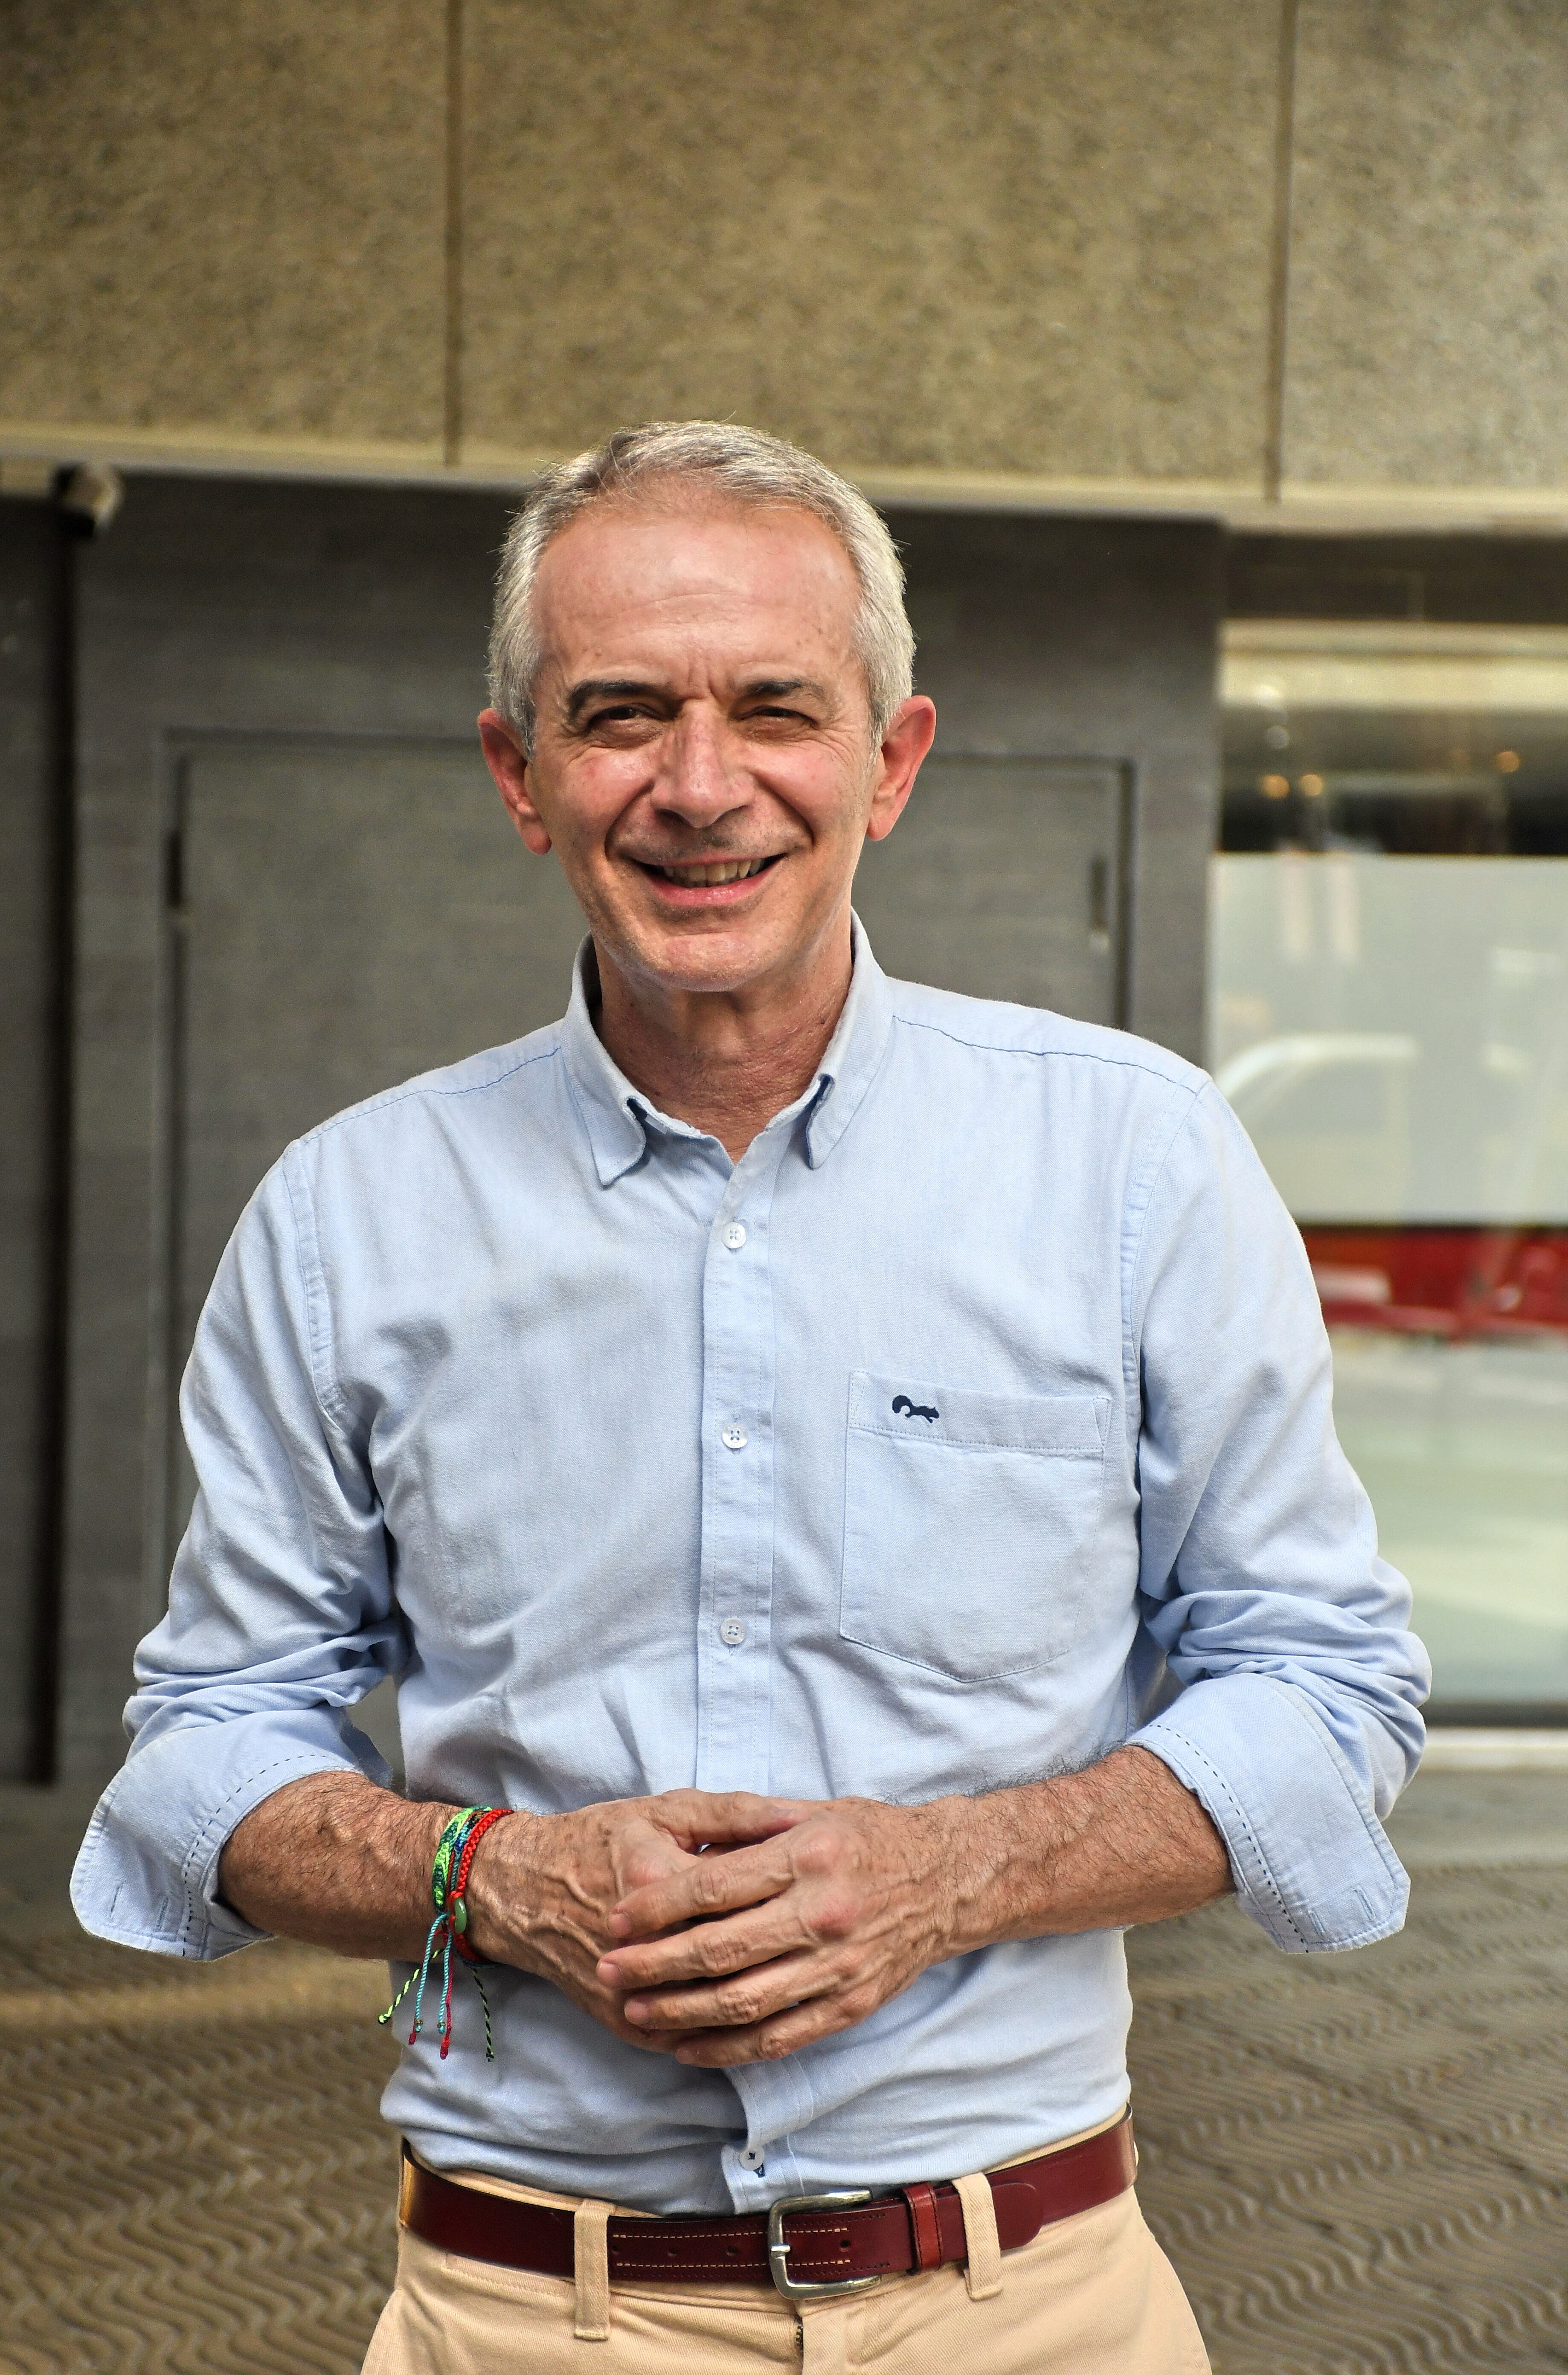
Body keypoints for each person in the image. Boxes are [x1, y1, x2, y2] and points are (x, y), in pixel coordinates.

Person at [73, 421, 1430, 2374]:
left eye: (773, 709)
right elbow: (204, 1751)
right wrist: (495, 1877)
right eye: (618, 714)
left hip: (1030, 2305)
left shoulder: (1135, 1160)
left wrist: (948, 1874)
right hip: (524, 2317)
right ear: (516, 774)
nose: (699, 787)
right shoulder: (345, 1215)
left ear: (889, 758)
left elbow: (1324, 1686)